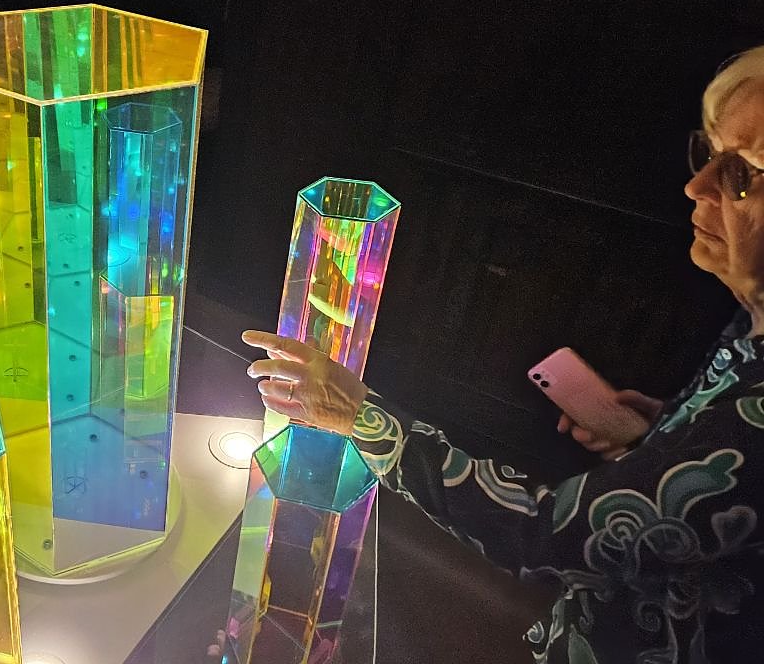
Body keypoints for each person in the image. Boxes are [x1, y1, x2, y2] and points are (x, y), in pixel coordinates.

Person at [243, 45, 764, 663]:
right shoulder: (751, 320)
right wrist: (659, 437)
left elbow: (544, 535)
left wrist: (361, 417)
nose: (696, 185)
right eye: (710, 153)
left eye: (742, 173)